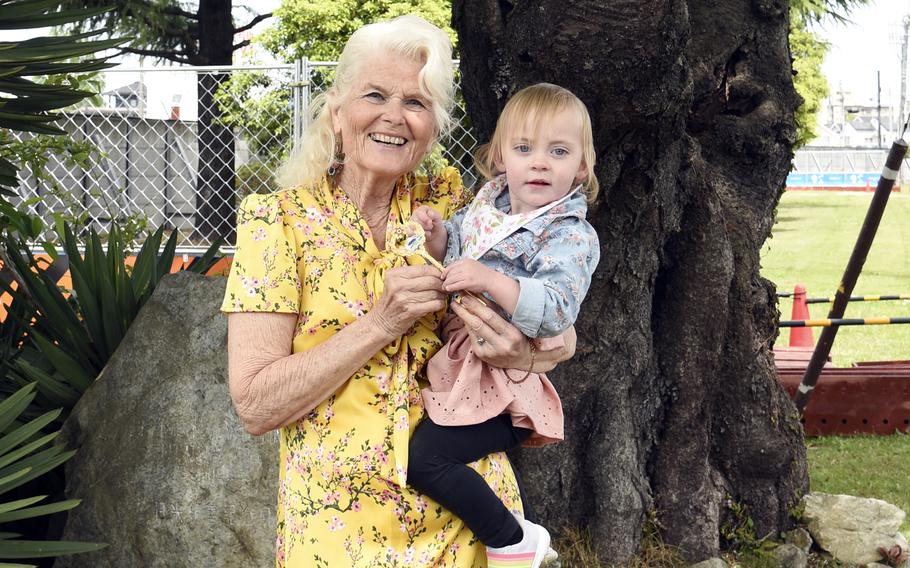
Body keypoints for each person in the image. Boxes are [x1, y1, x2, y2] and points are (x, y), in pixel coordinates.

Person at [221, 16, 577, 568]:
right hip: (339, 531)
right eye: (375, 94)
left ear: (433, 125)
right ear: (338, 112)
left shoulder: (460, 210)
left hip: (471, 525)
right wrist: (380, 325)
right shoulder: (276, 224)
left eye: (416, 102)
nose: (394, 116)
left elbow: (564, 331)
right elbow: (255, 404)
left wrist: (526, 354)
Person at [406, 83, 600, 568]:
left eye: (558, 152)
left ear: (581, 166)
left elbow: (557, 308)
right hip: (463, 372)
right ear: (498, 158)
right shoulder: (485, 211)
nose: (539, 163)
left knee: (425, 458)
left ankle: (511, 541)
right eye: (524, 149)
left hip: (506, 386)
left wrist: (492, 280)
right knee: (470, 466)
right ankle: (526, 540)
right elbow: (455, 255)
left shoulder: (569, 234)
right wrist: (437, 237)